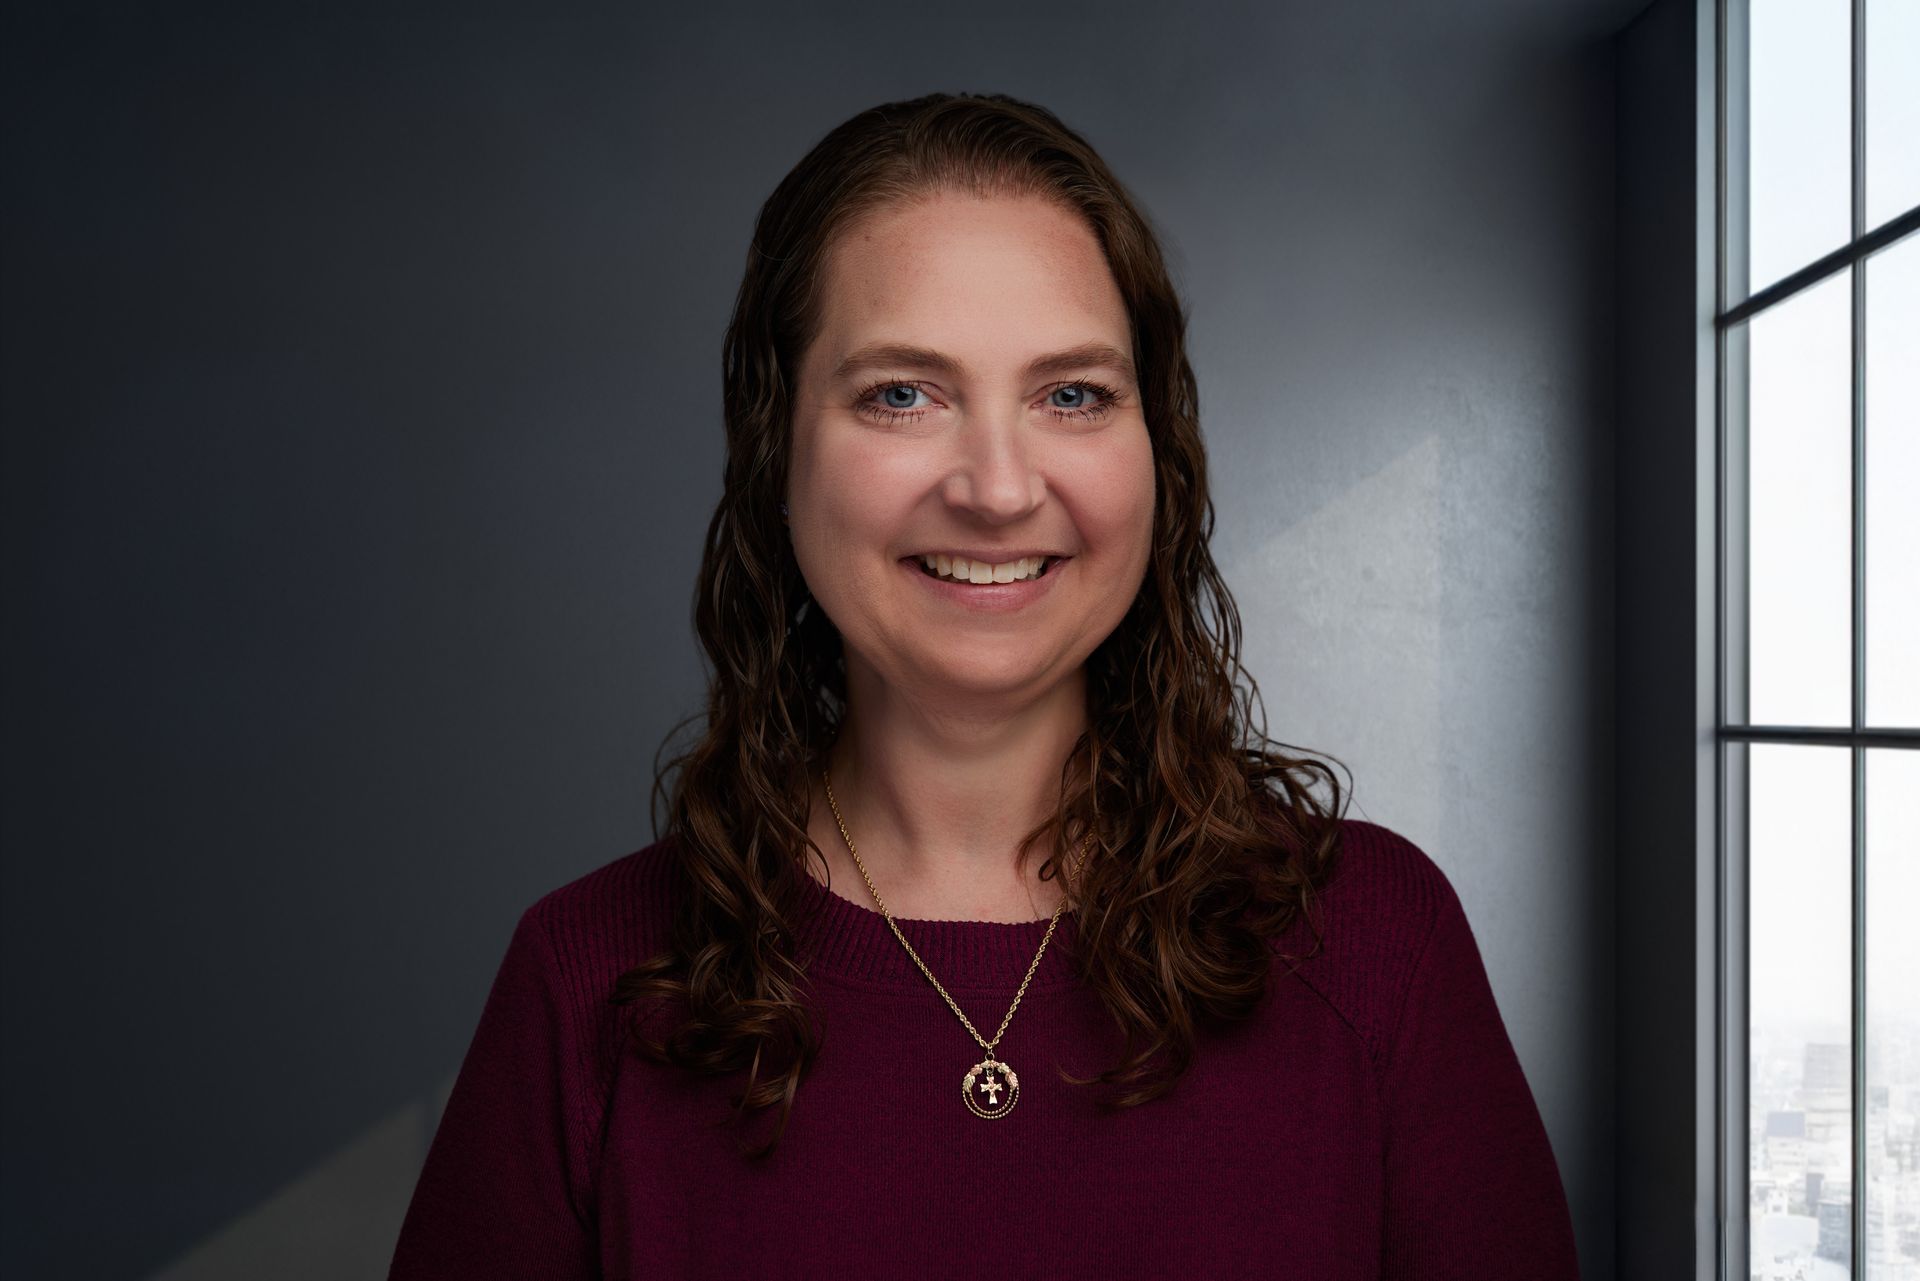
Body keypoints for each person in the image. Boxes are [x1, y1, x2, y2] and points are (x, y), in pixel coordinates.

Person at [387, 91, 1581, 1280]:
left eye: (1072, 394)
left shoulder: (1378, 944)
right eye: (902, 393)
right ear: (775, 447)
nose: (1000, 489)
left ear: (1154, 448)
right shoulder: (588, 981)